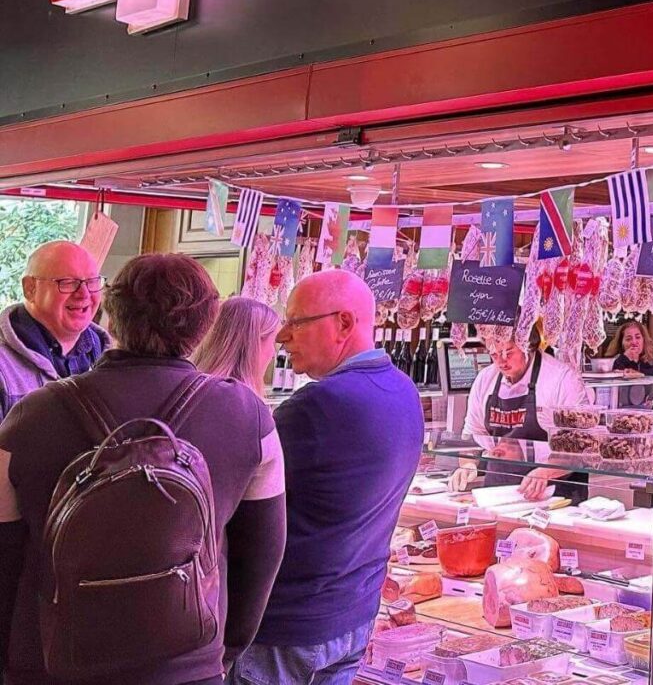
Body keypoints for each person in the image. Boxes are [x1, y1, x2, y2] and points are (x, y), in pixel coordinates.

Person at [0, 254, 286, 685]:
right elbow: (264, 550)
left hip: (50, 661)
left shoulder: (30, 416)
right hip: (185, 663)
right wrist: (223, 651)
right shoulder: (249, 417)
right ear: (206, 325)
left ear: (110, 316)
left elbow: (4, 551)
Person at [231, 270, 423, 685]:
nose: (283, 336)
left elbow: (229, 503)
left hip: (288, 629)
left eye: (296, 322)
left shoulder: (317, 405)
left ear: (345, 324)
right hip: (354, 617)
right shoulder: (405, 390)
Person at [448, 327, 591, 501]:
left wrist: (546, 472)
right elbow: (472, 437)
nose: (501, 361)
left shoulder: (562, 379)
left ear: (527, 345)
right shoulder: (485, 379)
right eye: (494, 354)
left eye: (508, 352)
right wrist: (468, 464)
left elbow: (579, 446)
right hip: (497, 494)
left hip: (554, 496)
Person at [0, 241, 110, 420]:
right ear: (30, 288)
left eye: (91, 282)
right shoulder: (4, 367)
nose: (84, 294)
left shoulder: (109, 359)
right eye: (67, 282)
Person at [193, 296, 280, 395]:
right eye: (272, 342)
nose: (273, 354)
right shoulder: (241, 400)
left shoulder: (193, 386)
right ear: (253, 344)